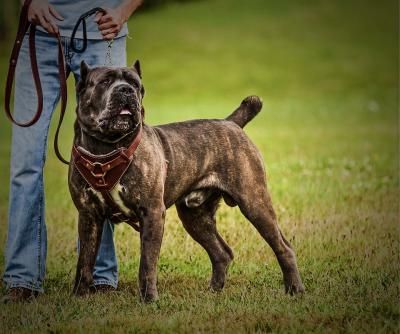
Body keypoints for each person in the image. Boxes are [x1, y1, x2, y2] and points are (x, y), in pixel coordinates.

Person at [2, 0, 143, 303]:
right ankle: (21, 278)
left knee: (108, 161)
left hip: (104, 32)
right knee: (25, 162)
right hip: (39, 35)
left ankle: (100, 275)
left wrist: (125, 10)